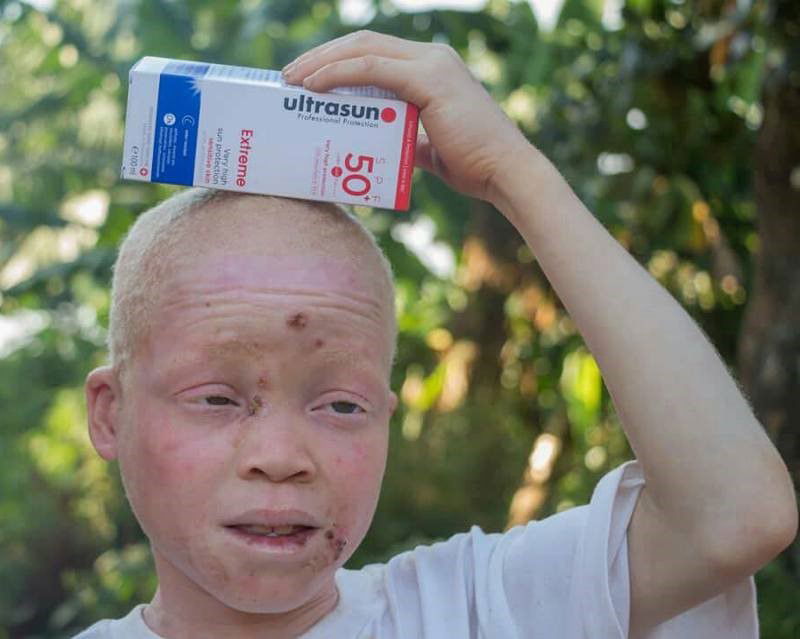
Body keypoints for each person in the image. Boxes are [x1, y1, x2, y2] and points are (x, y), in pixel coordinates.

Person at [77, 31, 797, 639]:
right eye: (216, 398)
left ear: (389, 417)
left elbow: (733, 517)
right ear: (111, 411)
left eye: (341, 405)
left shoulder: (476, 608)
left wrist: (513, 173)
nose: (280, 458)